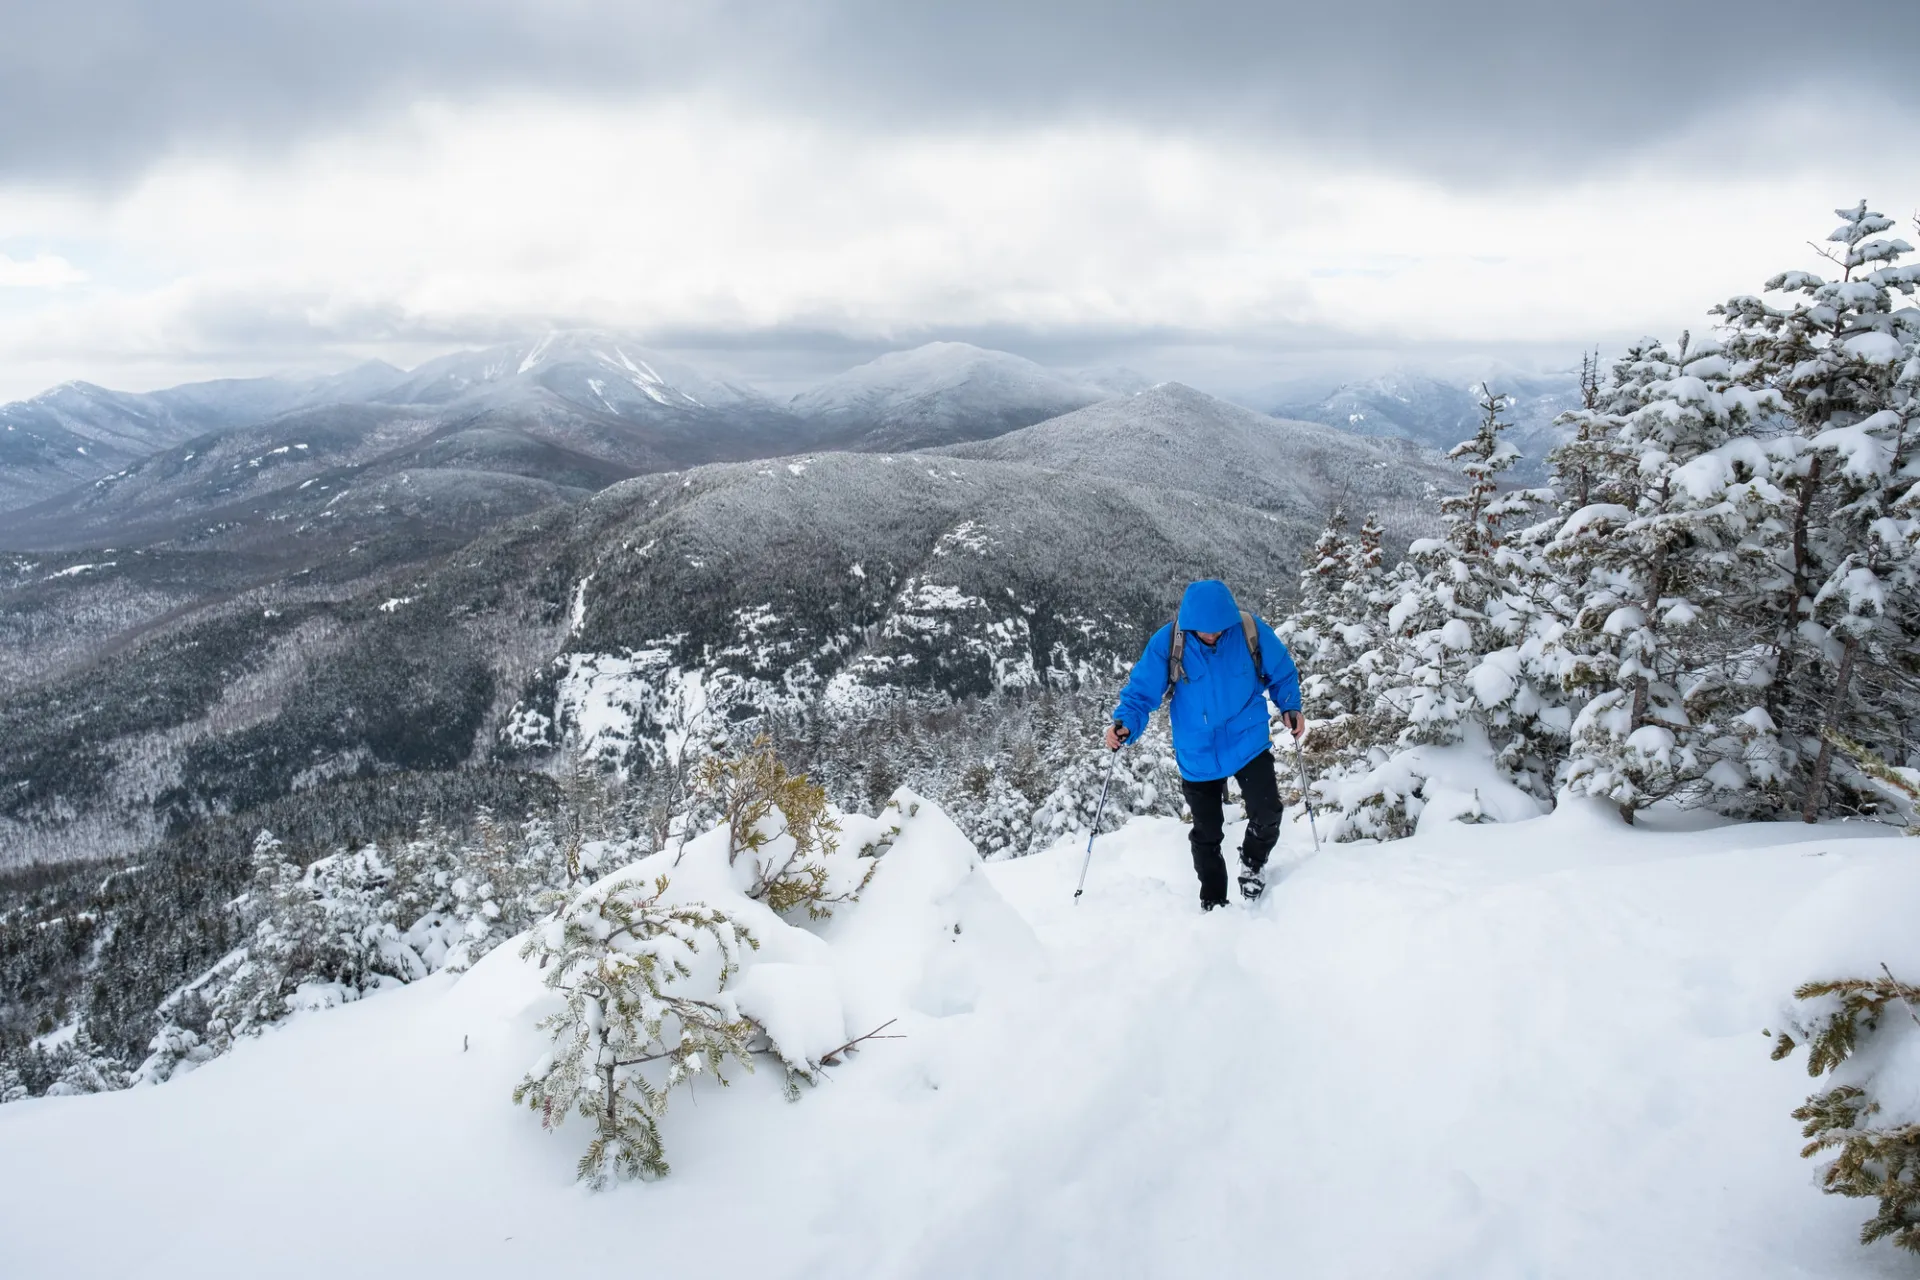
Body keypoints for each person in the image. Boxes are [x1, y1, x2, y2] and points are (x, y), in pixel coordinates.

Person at [1106, 579, 1303, 910]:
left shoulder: (1249, 631)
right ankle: (1213, 899)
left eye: (1217, 630)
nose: (1210, 635)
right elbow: (1142, 693)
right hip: (1198, 753)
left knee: (1268, 813)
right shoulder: (1169, 643)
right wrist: (1125, 723)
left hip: (1247, 741)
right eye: (1203, 631)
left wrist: (1290, 706)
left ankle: (1253, 863)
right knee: (1207, 834)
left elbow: (1282, 673)